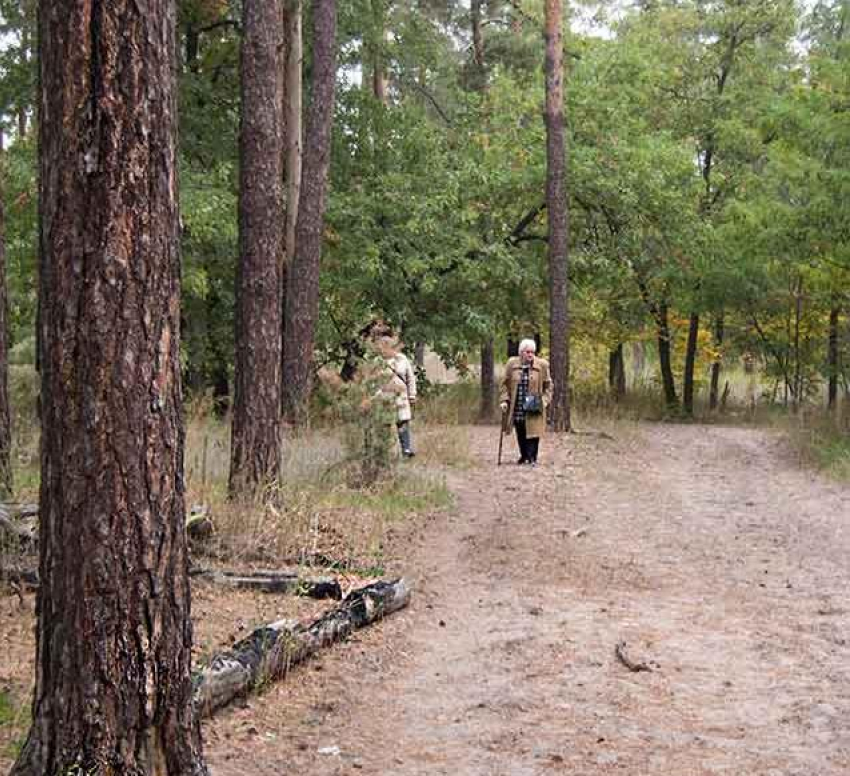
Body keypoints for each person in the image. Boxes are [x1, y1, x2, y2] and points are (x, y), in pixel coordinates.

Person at [499, 338, 553, 466]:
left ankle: (532, 457)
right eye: (527, 352)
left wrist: (544, 401)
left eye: (532, 352)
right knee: (521, 429)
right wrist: (504, 400)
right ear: (521, 352)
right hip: (517, 401)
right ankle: (524, 455)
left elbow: (549, 385)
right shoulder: (512, 364)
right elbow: (503, 384)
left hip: (533, 400)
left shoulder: (542, 365)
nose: (530, 355)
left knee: (534, 431)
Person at [374, 333, 418, 458]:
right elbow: (373, 382)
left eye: (383, 347)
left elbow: (410, 378)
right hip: (385, 397)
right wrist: (376, 396)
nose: (380, 349)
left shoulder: (402, 359)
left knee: (403, 422)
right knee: (384, 425)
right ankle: (383, 452)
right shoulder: (377, 361)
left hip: (401, 397)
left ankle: (406, 450)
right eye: (380, 347)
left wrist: (412, 395)